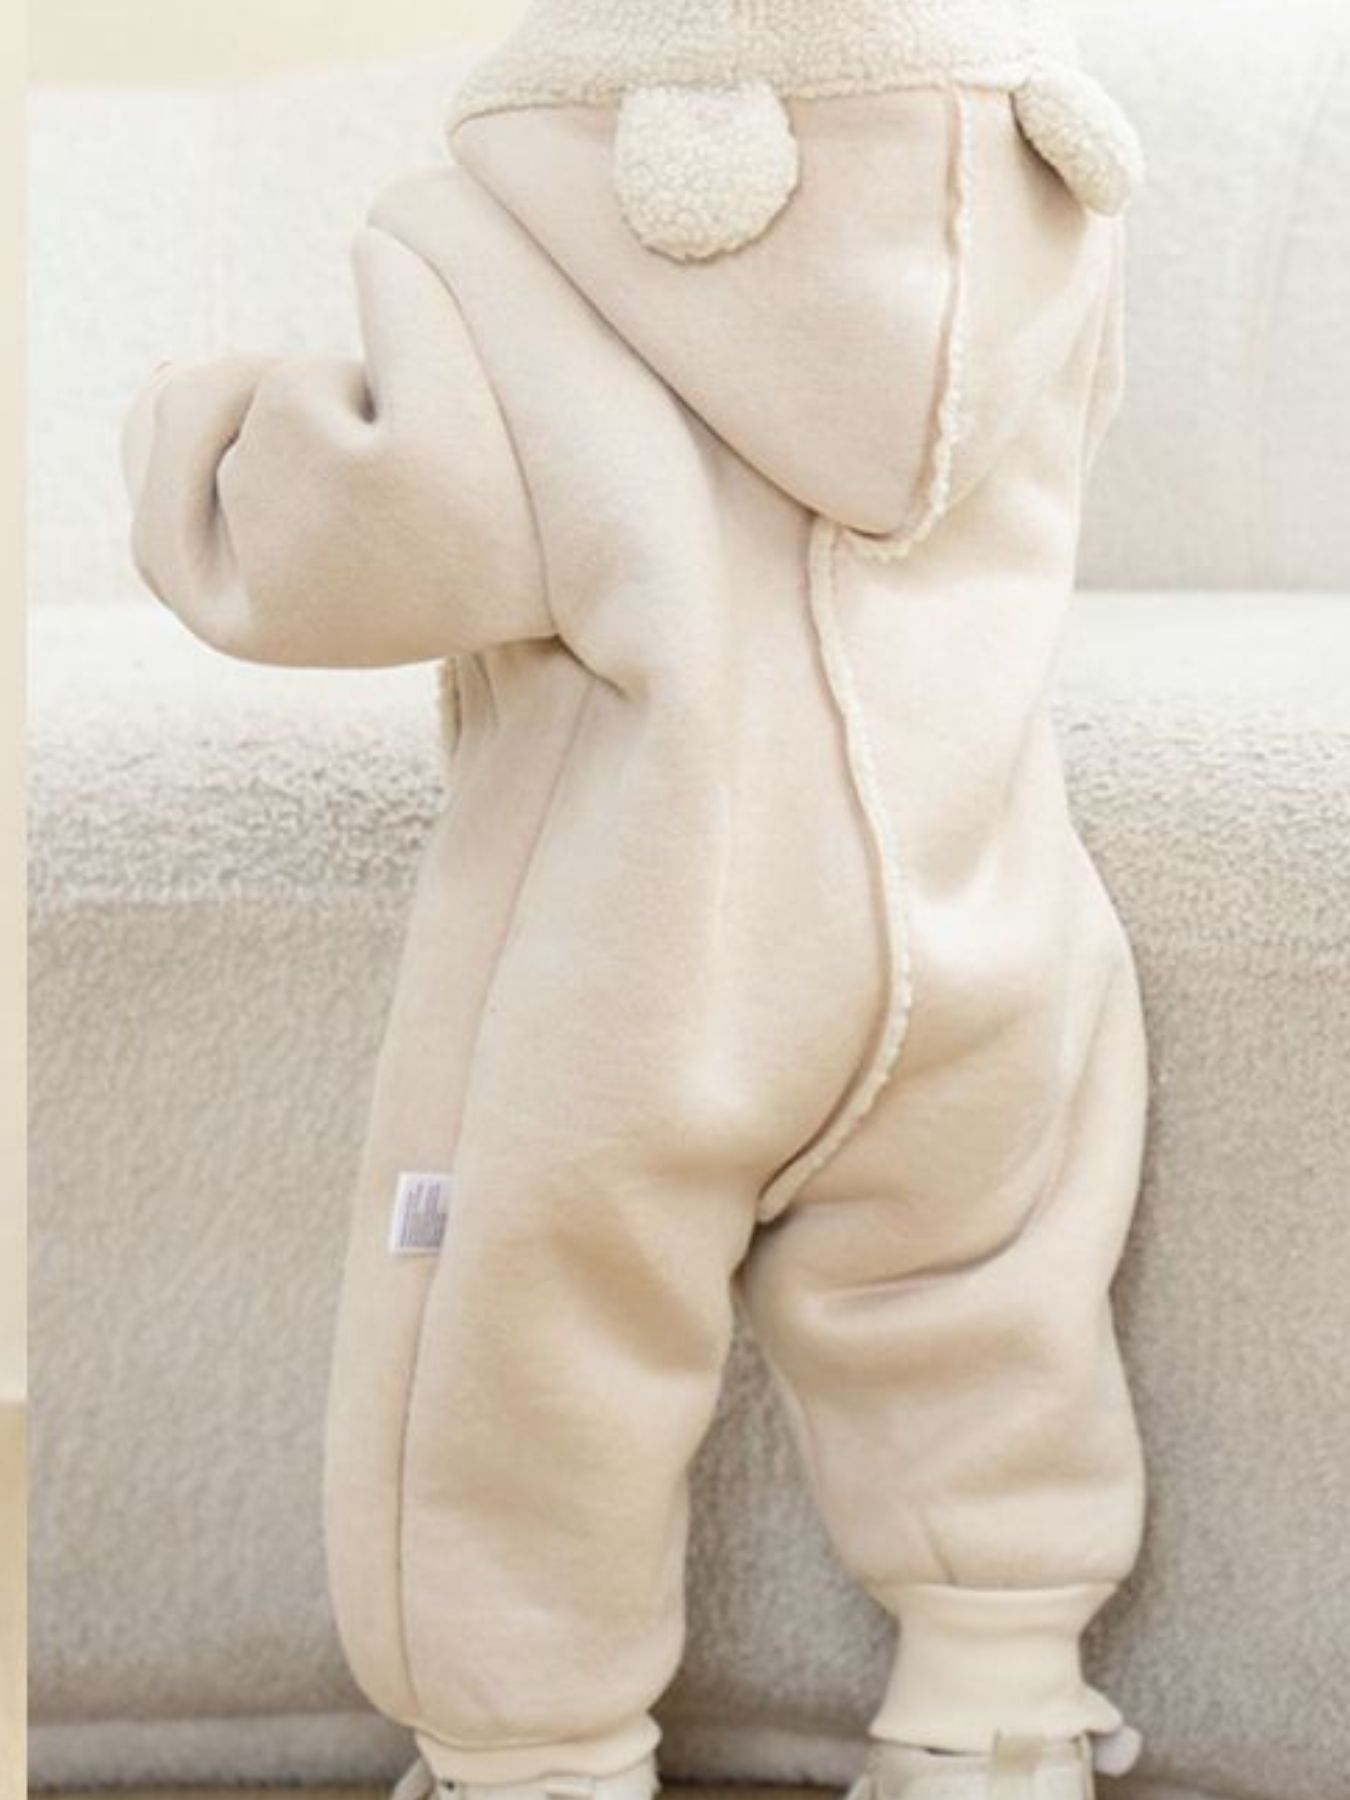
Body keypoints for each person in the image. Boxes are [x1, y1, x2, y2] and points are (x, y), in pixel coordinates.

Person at [121, 3, 1150, 1796]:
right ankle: (996, 1706)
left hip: (645, 938)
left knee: (522, 1344)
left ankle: (531, 1754)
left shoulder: (520, 233)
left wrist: (190, 436)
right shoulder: (1039, 211)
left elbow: (349, 539)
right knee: (982, 1286)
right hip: (984, 902)